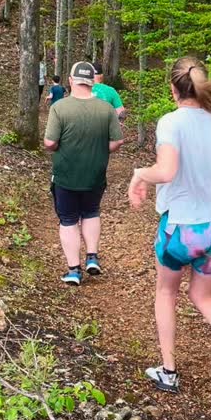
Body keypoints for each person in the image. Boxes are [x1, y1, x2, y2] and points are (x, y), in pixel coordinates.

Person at [128, 56, 211, 395]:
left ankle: (169, 371)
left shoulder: (171, 123)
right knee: (204, 295)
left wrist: (139, 174)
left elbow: (167, 171)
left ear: (174, 90)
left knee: (166, 292)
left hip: (183, 228)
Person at [44, 61, 123, 285]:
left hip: (66, 174)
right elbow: (117, 141)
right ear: (92, 81)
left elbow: (50, 142)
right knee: (91, 212)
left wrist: (59, 146)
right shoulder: (106, 109)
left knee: (68, 220)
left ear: (71, 80)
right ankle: (92, 257)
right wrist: (99, 148)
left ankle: (73, 270)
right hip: (96, 174)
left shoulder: (60, 108)